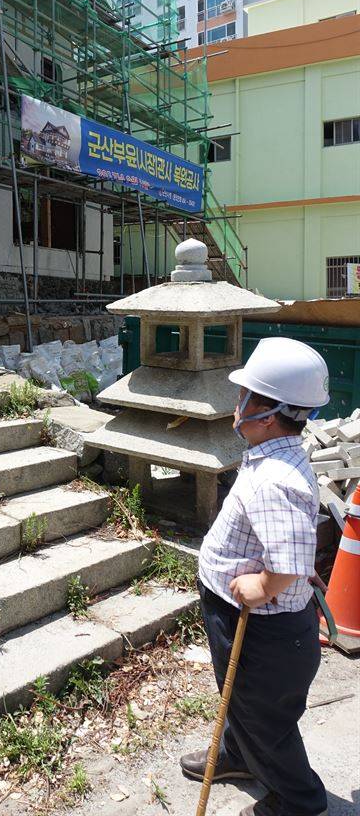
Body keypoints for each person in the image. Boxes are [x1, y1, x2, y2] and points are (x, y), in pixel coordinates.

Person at [180, 337, 330, 816]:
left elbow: (287, 561)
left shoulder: (274, 480)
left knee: (264, 716)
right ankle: (238, 755)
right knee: (241, 699)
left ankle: (298, 800)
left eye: (243, 396)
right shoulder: (277, 456)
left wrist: (264, 586)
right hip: (251, 618)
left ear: (265, 413)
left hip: (263, 629)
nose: (236, 404)